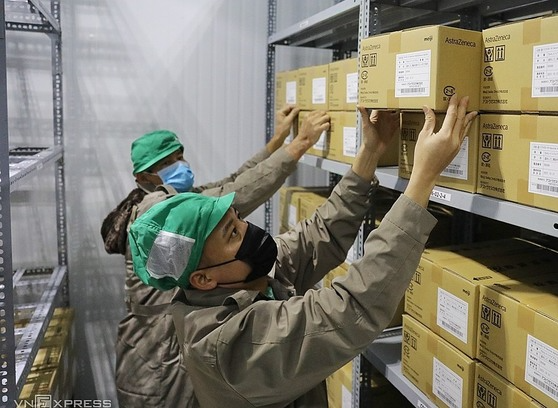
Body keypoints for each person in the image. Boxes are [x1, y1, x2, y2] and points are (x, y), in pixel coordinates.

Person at [127, 94, 477, 407]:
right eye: (233, 233)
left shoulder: (238, 280)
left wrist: (371, 152)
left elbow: (316, 236)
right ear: (202, 278)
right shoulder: (229, 346)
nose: (250, 231)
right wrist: (422, 180)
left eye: (238, 218)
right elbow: (350, 309)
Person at [101, 106, 332, 407]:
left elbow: (232, 180)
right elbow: (237, 193)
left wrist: (276, 142)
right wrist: (299, 145)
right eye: (166, 163)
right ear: (143, 176)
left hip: (169, 345)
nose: (179, 165)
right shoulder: (157, 214)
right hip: (155, 356)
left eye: (178, 157)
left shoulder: (177, 200)